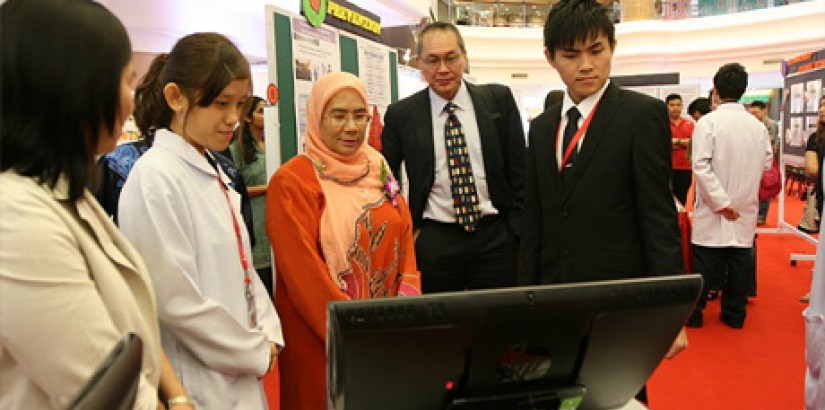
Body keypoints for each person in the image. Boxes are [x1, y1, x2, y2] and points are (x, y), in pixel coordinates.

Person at [0, 0, 190, 408]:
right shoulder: (16, 218)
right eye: (125, 81)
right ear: (74, 89)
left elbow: (128, 326)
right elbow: (102, 387)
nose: (131, 101)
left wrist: (176, 398)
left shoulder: (63, 193)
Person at [518, 0, 687, 401]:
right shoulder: (542, 129)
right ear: (551, 58)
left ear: (612, 46)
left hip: (617, 301)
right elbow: (534, 223)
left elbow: (658, 218)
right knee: (558, 397)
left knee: (619, 397)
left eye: (596, 51)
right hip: (554, 298)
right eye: (571, 55)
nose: (586, 65)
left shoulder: (640, 115)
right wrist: (523, 301)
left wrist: (671, 312)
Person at [118, 33, 284, 410]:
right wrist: (251, 349)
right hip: (198, 379)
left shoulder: (212, 168)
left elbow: (245, 270)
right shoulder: (155, 178)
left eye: (240, 104)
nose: (233, 119)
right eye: (221, 103)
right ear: (176, 98)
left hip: (238, 370)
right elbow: (174, 300)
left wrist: (268, 332)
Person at [267, 72, 421, 410]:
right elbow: (304, 276)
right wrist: (355, 334)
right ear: (317, 116)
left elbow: (404, 233)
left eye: (359, 115)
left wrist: (405, 309)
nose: (351, 127)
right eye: (338, 115)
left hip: (386, 332)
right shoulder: (292, 183)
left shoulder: (378, 166)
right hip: (321, 339)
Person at [381, 21, 526, 293]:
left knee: (497, 324)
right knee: (444, 328)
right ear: (420, 64)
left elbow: (520, 170)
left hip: (495, 237)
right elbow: (385, 178)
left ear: (464, 57)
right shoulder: (402, 115)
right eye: (433, 61)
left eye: (451, 58)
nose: (443, 69)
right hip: (436, 240)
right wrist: (411, 233)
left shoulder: (498, 100)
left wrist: (514, 231)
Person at [688, 63, 773, 329]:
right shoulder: (757, 126)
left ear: (715, 89)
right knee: (739, 261)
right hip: (744, 203)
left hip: (715, 205)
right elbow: (768, 163)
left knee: (705, 262)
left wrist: (721, 202)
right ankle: (735, 314)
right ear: (743, 90)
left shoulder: (708, 123)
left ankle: (695, 313)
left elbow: (700, 165)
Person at [229, 96, 274, 297]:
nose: (266, 116)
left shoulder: (274, 144)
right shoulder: (237, 150)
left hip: (275, 216)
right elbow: (234, 189)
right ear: (248, 118)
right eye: (261, 111)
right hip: (254, 218)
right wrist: (266, 188)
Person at [749, 100, 779, 225]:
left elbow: (770, 141)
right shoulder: (752, 124)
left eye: (756, 112)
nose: (754, 115)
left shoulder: (770, 124)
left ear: (764, 110)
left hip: (767, 159)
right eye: (752, 113)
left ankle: (762, 214)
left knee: (766, 186)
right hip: (753, 159)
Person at [666, 93, 694, 205]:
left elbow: (693, 143)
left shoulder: (689, 124)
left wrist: (676, 141)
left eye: (678, 105)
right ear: (666, 106)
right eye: (672, 105)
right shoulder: (663, 124)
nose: (675, 108)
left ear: (682, 106)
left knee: (685, 198)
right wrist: (683, 142)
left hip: (687, 167)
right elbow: (665, 143)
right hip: (670, 166)